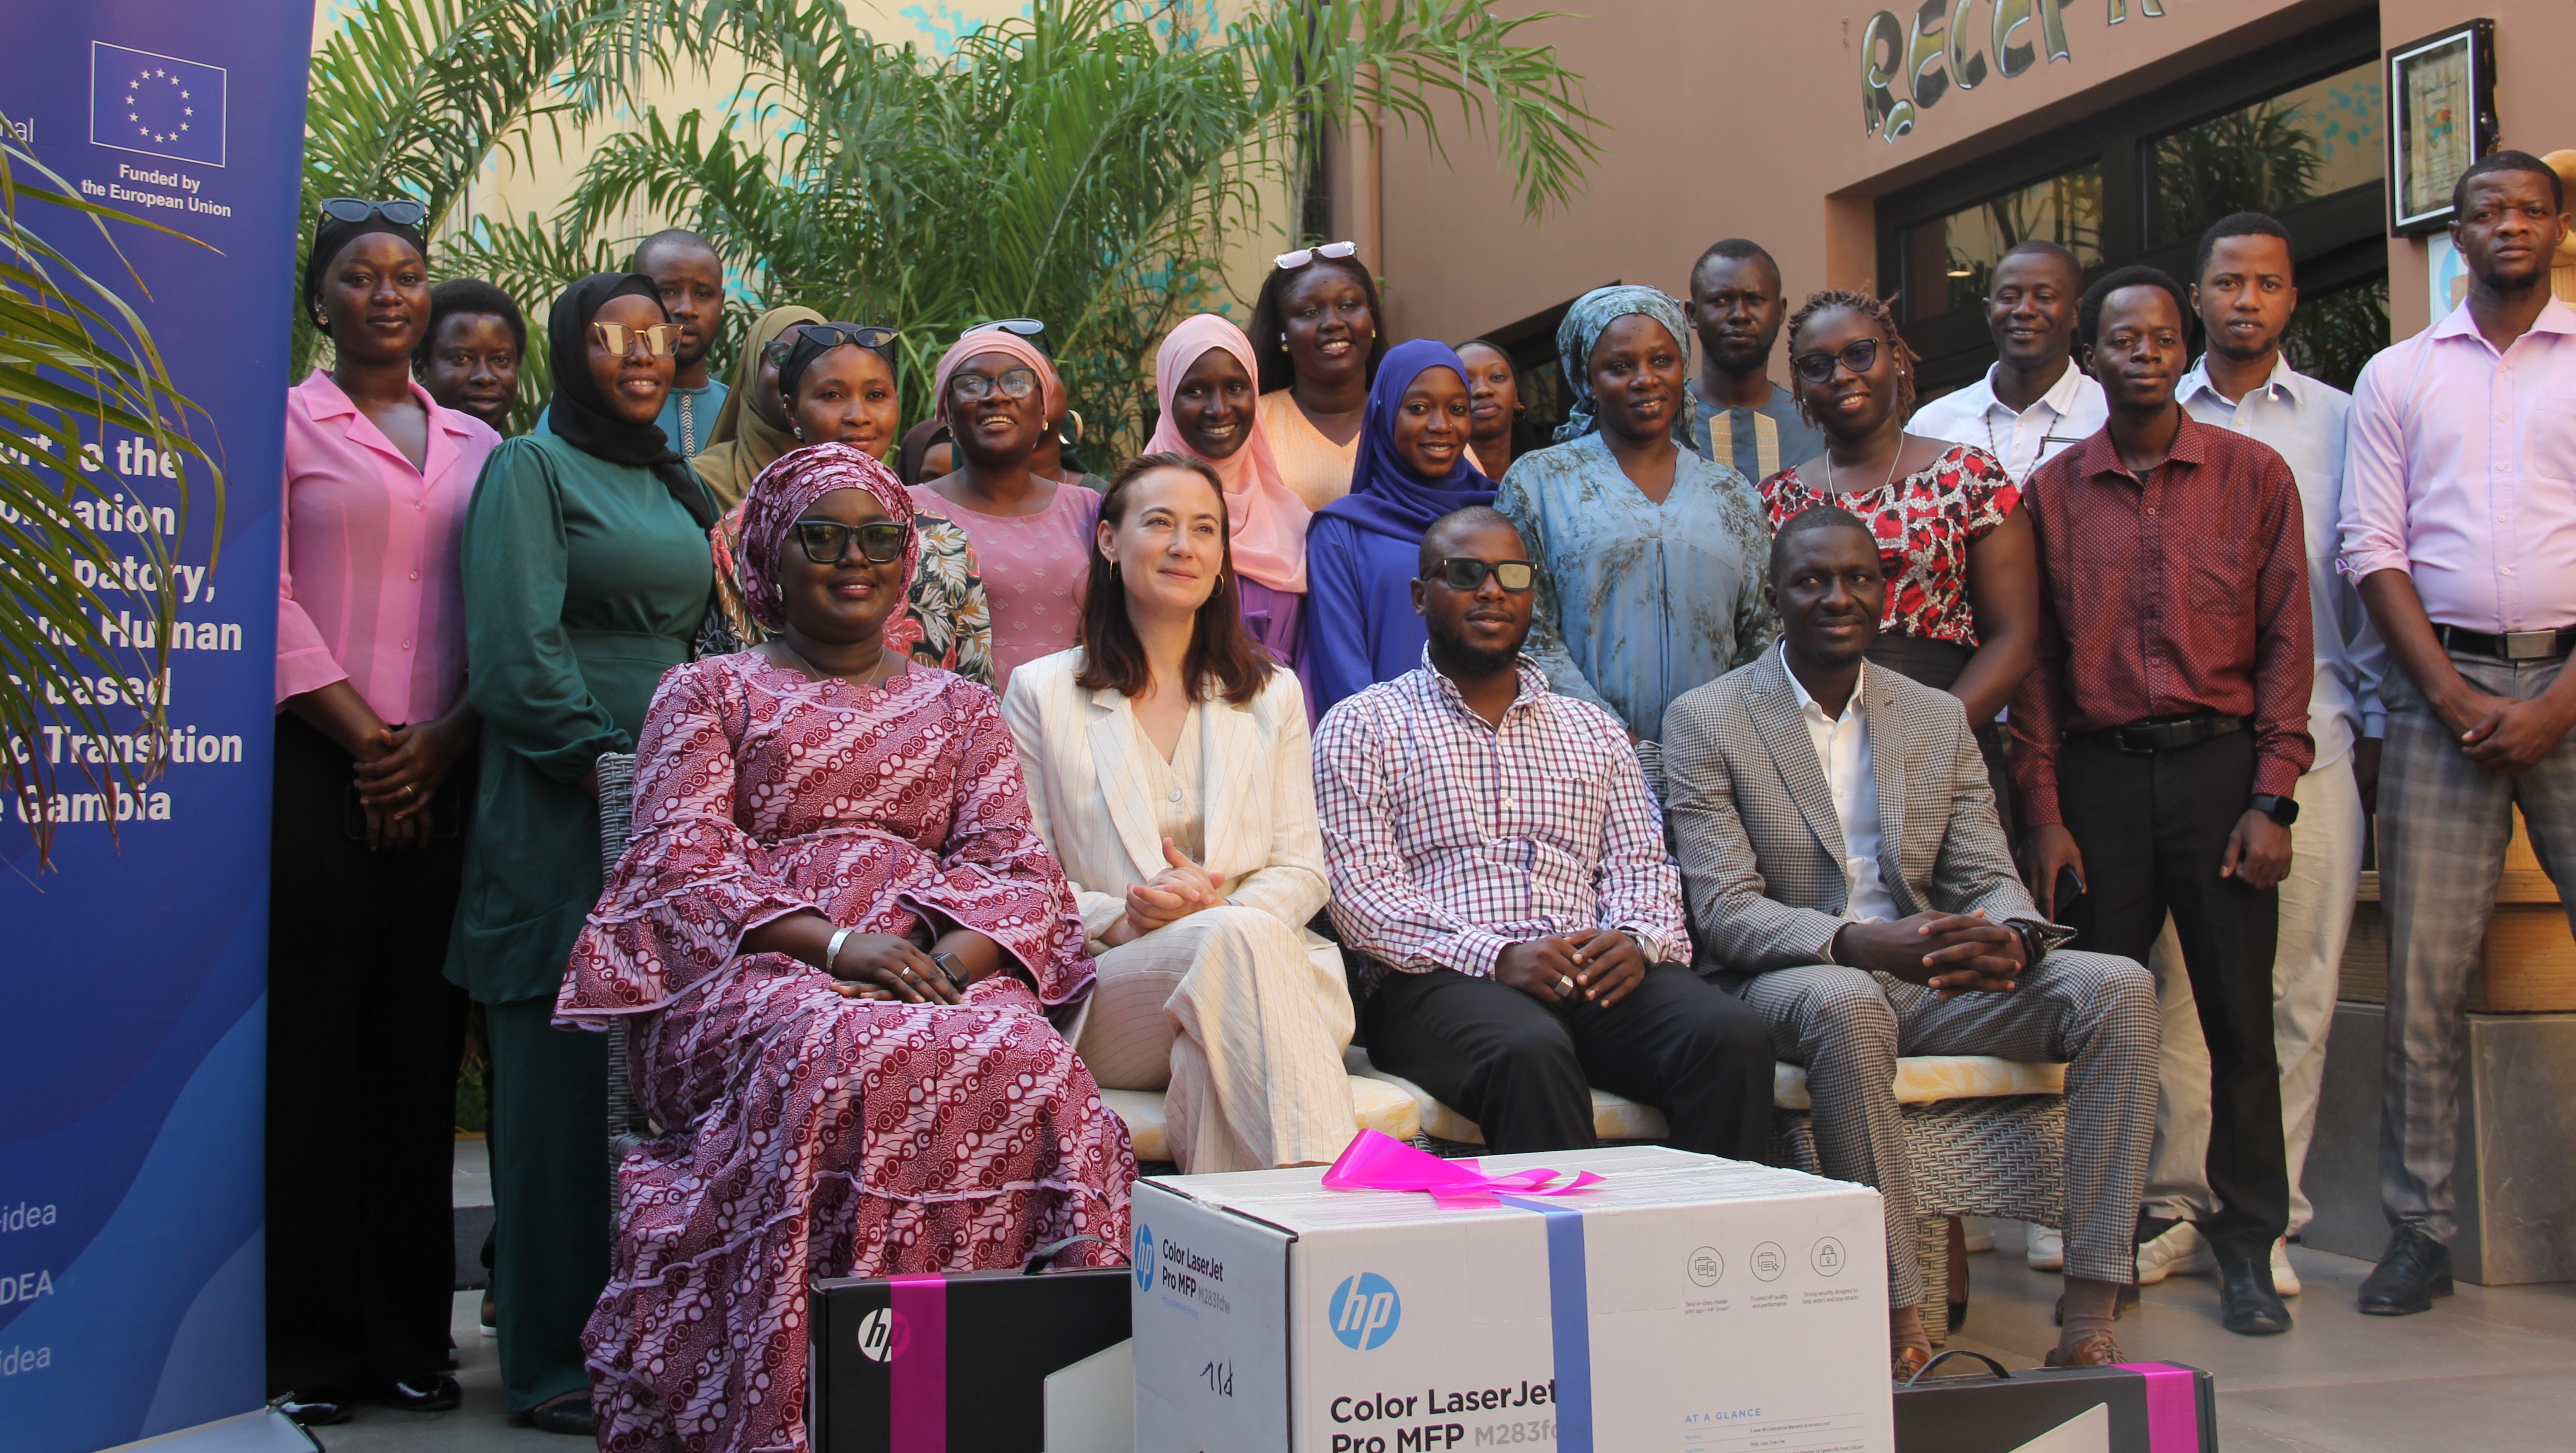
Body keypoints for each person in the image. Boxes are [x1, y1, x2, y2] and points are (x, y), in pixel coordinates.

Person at [563, 444, 1132, 1453]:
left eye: (878, 537)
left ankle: (1033, 1399)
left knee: (1035, 1061)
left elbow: (1015, 867)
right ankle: (836, 1403)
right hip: (752, 962)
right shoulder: (705, 691)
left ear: (908, 557)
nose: (853, 558)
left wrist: (949, 965)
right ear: (773, 556)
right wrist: (838, 948)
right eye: (823, 536)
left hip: (930, 960)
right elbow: (680, 858)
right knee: (838, 1046)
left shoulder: (959, 703)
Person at [1663, 504, 2157, 1378]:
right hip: (1793, 978)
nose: (1835, 597)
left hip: (1932, 979)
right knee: (1847, 1003)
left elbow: (1985, 870)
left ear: (1884, 595)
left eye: (1856, 578)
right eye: (1810, 581)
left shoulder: (1931, 717)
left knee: (2116, 986)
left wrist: (2009, 938)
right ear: (1774, 596)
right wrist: (1856, 942)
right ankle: (1895, 1318)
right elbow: (1726, 912)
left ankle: (2088, 1310)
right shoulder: (1707, 720)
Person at [2012, 264, 2312, 1339]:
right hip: (2094, 781)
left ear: (2184, 350)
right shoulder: (2049, 497)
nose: (2142, 351)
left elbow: (2287, 643)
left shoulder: (2254, 476)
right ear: (2089, 359)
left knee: (2239, 1019)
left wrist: (2272, 798)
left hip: (2220, 771)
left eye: (2159, 336)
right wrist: (2043, 809)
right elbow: (2035, 666)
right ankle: (2104, 1243)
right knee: (2100, 1020)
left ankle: (2246, 1242)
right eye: (2119, 339)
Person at [448, 272, 719, 1436]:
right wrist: (618, 767)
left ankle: (645, 1331)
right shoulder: (530, 469)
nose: (637, 356)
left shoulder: (671, 479)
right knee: (559, 1082)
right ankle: (551, 1351)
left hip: (676, 814)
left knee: (654, 1083)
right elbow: (516, 652)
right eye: (609, 341)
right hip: (569, 810)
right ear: (573, 352)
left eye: (655, 339)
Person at [1313, 505, 1775, 1160]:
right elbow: (1363, 900)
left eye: (1511, 574)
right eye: (1466, 572)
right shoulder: (1363, 726)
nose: (1492, 590)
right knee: (1529, 1049)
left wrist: (1637, 942)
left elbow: (1641, 864)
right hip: (1439, 983)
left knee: (1726, 1035)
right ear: (1421, 595)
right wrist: (1495, 956)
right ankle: (1569, 1257)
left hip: (1588, 969)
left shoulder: (1592, 730)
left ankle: (1712, 1254)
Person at [268, 200, 500, 1427]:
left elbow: (493, 608)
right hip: (314, 765)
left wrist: (437, 746)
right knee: (315, 1060)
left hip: (445, 768)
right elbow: (261, 585)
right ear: (321, 301)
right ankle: (310, 1345)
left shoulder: (474, 441)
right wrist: (369, 742)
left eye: (408, 275)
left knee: (416, 1059)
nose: (389, 293)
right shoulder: (280, 422)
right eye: (361, 277)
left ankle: (412, 1336)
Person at [2131, 213, 2388, 1297]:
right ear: (2197, 295)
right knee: (2181, 994)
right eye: (2227, 282)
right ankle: (2182, 1203)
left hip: (2316, 746)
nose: (2246, 299)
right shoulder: (2141, 416)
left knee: (2295, 996)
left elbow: (2358, 589)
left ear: (2293, 300)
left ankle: (2267, 1218)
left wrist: (2364, 738)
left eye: (2268, 283)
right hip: (2186, 758)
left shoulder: (2343, 422)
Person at [2340, 151, 2576, 1318]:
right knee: (2423, 980)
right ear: (2457, 232)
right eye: (2487, 209)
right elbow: (2370, 549)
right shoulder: (2397, 375)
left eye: (2529, 208)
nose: (2509, 225)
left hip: (2572, 685)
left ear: (2556, 225)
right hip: (2439, 696)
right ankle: (2415, 1229)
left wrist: (2549, 705)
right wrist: (2450, 697)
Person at [1005, 453, 1355, 1171]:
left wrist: (1217, 905)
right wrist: (1122, 917)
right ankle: (1328, 1217)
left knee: (1223, 982)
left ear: (1224, 556)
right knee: (1226, 941)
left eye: (1204, 529)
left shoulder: (1271, 693)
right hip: (1116, 989)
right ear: (1109, 540)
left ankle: (1245, 1263)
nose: (1182, 546)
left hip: (1264, 978)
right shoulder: (1041, 693)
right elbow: (1021, 878)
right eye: (1158, 523)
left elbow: (1301, 867)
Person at [1760, 289, 2035, 842]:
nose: (1841, 375)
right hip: (1816, 753)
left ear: (1897, 357)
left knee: (1961, 919)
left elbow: (2015, 636)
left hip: (1946, 734)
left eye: (1860, 354)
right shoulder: (1775, 500)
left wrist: (1928, 737)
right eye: (1818, 366)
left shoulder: (1968, 476)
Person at [1498, 285, 1776, 775]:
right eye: (1620, 367)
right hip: (1575, 763)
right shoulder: (1539, 483)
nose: (1645, 379)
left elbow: (1761, 633)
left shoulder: (1734, 495)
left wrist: (1714, 738)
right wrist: (1608, 736)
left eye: (1662, 361)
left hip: (1717, 770)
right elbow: (1527, 626)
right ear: (1587, 379)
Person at [706, 324, 995, 684]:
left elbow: (977, 688)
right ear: (792, 411)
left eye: (876, 394)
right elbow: (726, 678)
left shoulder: (945, 541)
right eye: (831, 395)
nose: (858, 415)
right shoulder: (744, 535)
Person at [1298, 340, 1497, 717]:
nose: (1442, 426)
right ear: (1385, 414)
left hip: (1496, 754)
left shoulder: (1497, 516)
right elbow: (1343, 677)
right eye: (1419, 408)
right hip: (1390, 757)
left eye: (1457, 409)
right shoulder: (1341, 533)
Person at [910, 329, 1100, 691]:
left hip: (1072, 725)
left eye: (1016, 382)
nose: (996, 395)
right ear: (946, 411)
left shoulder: (1089, 510)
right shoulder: (906, 510)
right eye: (971, 384)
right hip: (951, 729)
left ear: (1044, 408)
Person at [1143, 314, 1313, 659]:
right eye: (1195, 391)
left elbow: (1314, 651)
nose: (1219, 409)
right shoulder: (1135, 514)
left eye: (1235, 388)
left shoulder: (1297, 523)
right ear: (1166, 397)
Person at [1909, 240, 2108, 484]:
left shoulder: (2108, 414)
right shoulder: (1932, 424)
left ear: (2076, 312)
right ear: (1988, 312)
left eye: (2044, 297)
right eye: (2009, 297)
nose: (2024, 310)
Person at [1248, 239, 1388, 509]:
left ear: (1371, 318)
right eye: (1310, 312)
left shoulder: (1409, 416)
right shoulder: (1252, 422)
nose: (1333, 322)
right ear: (1283, 333)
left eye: (1348, 305)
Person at [1683, 238, 1827, 480]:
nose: (1740, 315)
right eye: (1720, 301)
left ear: (1781, 311)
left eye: (1755, 299)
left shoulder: (1817, 425)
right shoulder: (1662, 423)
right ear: (1693, 314)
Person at [688, 303, 824, 511]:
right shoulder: (700, 482)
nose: (798, 374)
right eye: (782, 357)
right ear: (752, 370)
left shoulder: (858, 477)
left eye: (817, 360)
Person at [412, 277, 526, 434]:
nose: (485, 378)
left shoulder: (529, 457)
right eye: (461, 358)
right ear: (421, 370)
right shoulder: (394, 453)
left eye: (501, 360)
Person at [1456, 337, 1541, 479]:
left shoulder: (1547, 485)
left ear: (1517, 398)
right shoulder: (1431, 497)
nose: (1483, 390)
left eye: (1497, 377)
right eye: (1464, 381)